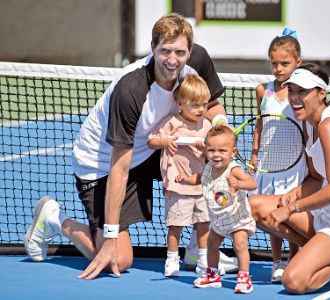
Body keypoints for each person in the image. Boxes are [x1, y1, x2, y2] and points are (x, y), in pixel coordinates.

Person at [23, 13, 236, 280]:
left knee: (212, 155)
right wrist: (110, 237)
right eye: (165, 51)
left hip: (150, 146)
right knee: (118, 260)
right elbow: (119, 168)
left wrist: (221, 130)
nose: (172, 60)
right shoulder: (131, 90)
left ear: (190, 51)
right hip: (101, 163)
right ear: (152, 48)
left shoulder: (198, 60)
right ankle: (54, 218)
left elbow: (213, 105)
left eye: (180, 52)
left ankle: (196, 248)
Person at [249, 63, 330, 294]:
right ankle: (321, 253)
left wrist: (291, 209)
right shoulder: (309, 123)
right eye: (291, 91)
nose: (295, 98)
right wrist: (294, 194)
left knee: (294, 281)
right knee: (254, 207)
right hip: (326, 215)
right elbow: (316, 177)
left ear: (322, 93)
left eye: (303, 91)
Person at [249, 28, 307, 283]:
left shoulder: (302, 92)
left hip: (296, 165)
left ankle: (294, 259)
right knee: (271, 214)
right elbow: (260, 125)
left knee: (290, 215)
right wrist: (253, 154)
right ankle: (277, 261)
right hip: (269, 165)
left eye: (285, 63)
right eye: (274, 63)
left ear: (298, 63)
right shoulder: (263, 90)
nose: (279, 68)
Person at [177, 126, 257, 294]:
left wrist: (239, 184)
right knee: (211, 244)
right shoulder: (208, 167)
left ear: (233, 151)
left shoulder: (234, 169)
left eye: (222, 150)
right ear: (205, 150)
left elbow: (253, 184)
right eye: (211, 150)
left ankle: (244, 277)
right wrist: (186, 179)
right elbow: (199, 178)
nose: (216, 155)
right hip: (218, 220)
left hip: (237, 219)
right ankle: (212, 274)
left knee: (240, 244)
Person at [147, 74, 212, 277]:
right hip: (176, 186)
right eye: (195, 105)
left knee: (203, 224)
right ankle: (172, 259)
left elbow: (215, 154)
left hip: (201, 185)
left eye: (204, 104)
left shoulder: (207, 126)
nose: (201, 109)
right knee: (176, 226)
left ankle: (203, 259)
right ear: (181, 103)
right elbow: (151, 141)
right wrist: (165, 142)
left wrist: (206, 147)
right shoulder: (171, 123)